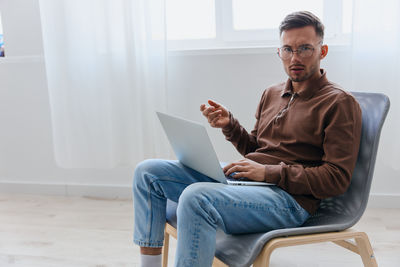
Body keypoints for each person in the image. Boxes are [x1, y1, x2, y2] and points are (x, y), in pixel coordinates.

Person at [132, 11, 362, 267]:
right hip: (251, 185)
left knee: (196, 198)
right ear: (279, 52)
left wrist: (268, 173)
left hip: (290, 201)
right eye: (287, 49)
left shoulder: (339, 102)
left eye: (305, 48)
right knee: (147, 172)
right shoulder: (272, 93)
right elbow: (258, 148)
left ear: (323, 50)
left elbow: (336, 179)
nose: (295, 58)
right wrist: (230, 126)